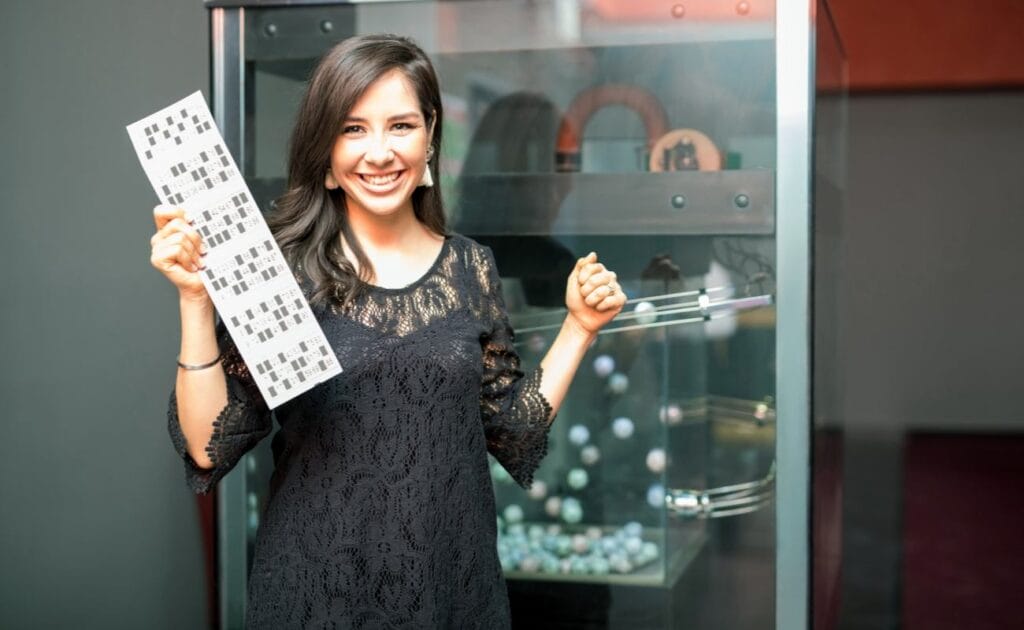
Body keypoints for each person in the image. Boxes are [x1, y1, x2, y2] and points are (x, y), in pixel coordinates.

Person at [148, 34, 625, 629]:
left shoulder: (470, 269)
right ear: (325, 150)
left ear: (429, 136)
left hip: (450, 592)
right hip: (313, 595)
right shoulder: (283, 271)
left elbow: (512, 431)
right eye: (353, 129)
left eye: (400, 126)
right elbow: (209, 445)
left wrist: (579, 328)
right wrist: (196, 299)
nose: (379, 152)